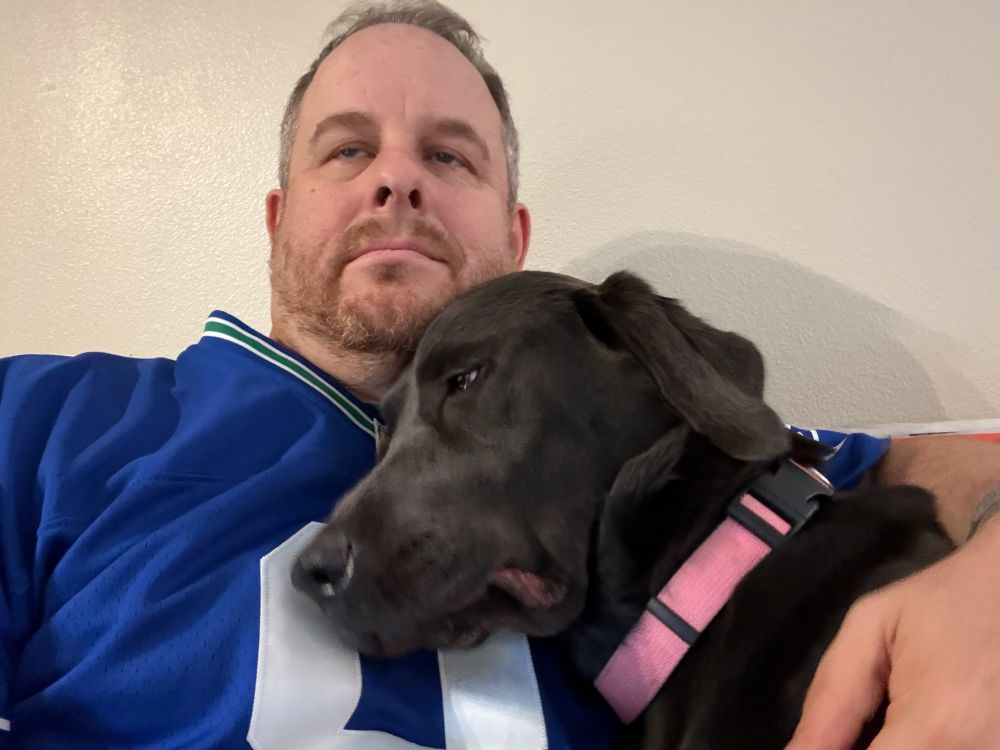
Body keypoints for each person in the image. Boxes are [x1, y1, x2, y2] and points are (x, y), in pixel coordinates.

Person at [1, 2, 998, 748]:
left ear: (516, 238)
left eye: (449, 157)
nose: (396, 178)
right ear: (277, 217)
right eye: (347, 150)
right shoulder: (47, 420)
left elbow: (912, 468)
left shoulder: (655, 444)